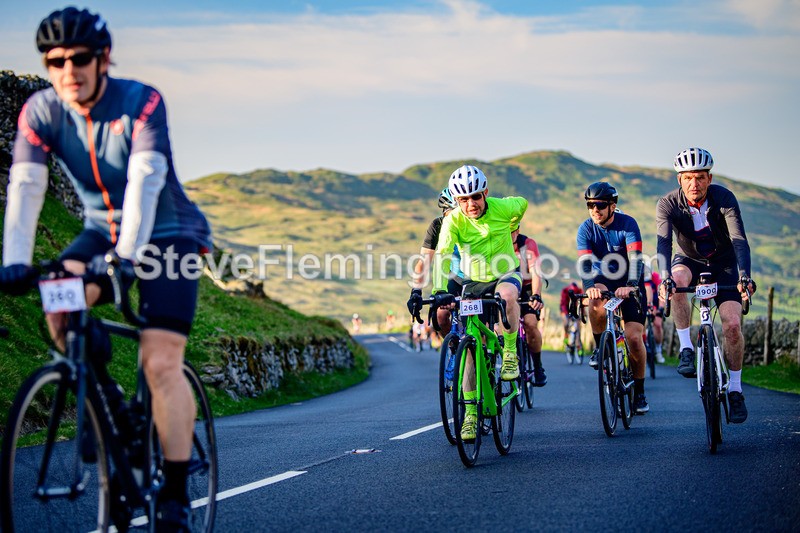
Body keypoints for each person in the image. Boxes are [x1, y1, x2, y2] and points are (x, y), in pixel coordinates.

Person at [0, 8, 212, 531]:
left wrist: (127, 256)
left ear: (103, 59)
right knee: (59, 302)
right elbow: (25, 186)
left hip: (168, 231)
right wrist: (14, 263)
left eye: (79, 59)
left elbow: (146, 179)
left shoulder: (141, 102)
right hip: (101, 229)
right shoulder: (40, 112)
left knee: (160, 360)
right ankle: (108, 404)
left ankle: (175, 497)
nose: (68, 70)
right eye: (55, 62)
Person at [410, 164, 527, 441]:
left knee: (507, 296)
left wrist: (512, 227)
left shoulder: (503, 207)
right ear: (456, 200)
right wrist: (437, 290)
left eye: (475, 196)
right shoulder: (451, 221)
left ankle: (510, 353)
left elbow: (522, 204)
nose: (471, 204)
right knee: (472, 348)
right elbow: (441, 255)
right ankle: (471, 415)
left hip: (505, 273)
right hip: (472, 282)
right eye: (463, 199)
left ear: (485, 193)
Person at [657, 147, 756, 424]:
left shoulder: (724, 199)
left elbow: (739, 240)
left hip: (724, 263)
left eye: (700, 177)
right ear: (680, 180)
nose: (694, 184)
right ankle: (686, 348)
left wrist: (744, 276)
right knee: (676, 281)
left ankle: (735, 389)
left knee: (732, 325)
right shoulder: (668, 204)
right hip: (688, 259)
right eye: (688, 178)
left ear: (709, 179)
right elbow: (664, 244)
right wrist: (664, 277)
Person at [577, 182, 649, 414]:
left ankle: (640, 392)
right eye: (590, 205)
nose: (595, 210)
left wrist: (631, 285)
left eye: (599, 205)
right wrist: (589, 287)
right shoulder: (586, 228)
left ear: (612, 205)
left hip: (629, 281)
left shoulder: (628, 224)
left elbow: (636, 258)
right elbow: (585, 263)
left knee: (634, 338)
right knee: (595, 301)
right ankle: (600, 347)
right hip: (603, 279)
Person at [407, 187, 464, 335]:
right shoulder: (437, 226)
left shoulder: (476, 225)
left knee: (484, 325)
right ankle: (452, 346)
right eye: (451, 215)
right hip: (455, 278)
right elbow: (423, 262)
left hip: (479, 278)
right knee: (440, 317)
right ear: (444, 212)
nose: (454, 221)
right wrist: (416, 291)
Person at [511, 224, 546, 386]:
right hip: (506, 287)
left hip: (526, 288)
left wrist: (536, 295)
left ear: (517, 231)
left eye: (512, 231)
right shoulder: (497, 243)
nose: (509, 234)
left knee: (530, 323)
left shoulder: (527, 244)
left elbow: (536, 273)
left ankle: (538, 366)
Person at [643, 266, 665, 363]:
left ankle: (658, 350)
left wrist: (660, 309)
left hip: (656, 302)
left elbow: (662, 294)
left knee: (658, 324)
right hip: (643, 303)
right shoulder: (637, 278)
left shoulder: (656, 277)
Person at [560, 281, 583, 345]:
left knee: (578, 325)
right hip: (565, 307)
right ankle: (566, 335)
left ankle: (578, 342)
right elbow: (563, 304)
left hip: (575, 306)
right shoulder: (565, 291)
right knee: (566, 323)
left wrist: (582, 314)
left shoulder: (579, 291)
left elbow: (581, 303)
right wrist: (566, 314)